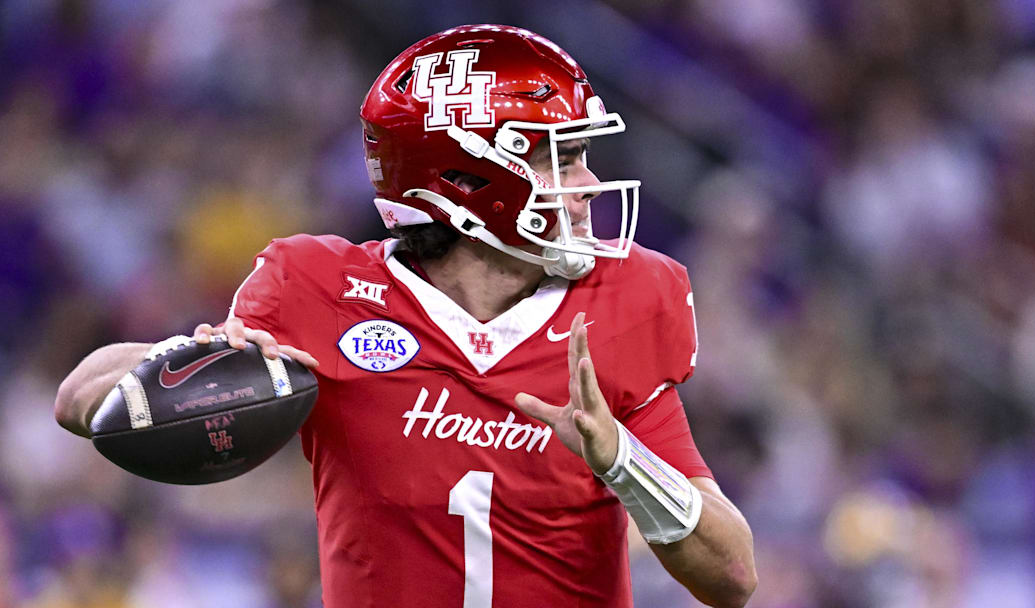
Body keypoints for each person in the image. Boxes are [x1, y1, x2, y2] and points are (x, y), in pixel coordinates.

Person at [54, 24, 756, 607]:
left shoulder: (624, 299)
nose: (588, 185)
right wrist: (197, 354)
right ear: (471, 180)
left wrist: (622, 462)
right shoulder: (319, 289)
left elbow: (732, 578)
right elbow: (79, 397)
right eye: (561, 159)